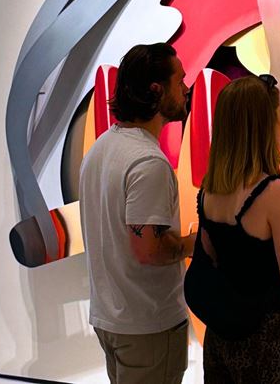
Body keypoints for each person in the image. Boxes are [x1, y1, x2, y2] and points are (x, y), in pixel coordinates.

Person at [185, 74, 280, 383]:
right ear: (264, 126)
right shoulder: (277, 194)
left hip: (221, 336)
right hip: (268, 341)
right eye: (279, 115)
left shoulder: (209, 190)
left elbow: (212, 253)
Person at [79, 43, 195, 384]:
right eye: (180, 80)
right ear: (157, 90)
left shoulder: (101, 149)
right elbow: (149, 250)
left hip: (112, 318)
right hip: (147, 323)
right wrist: (196, 243)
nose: (185, 88)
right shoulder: (148, 163)